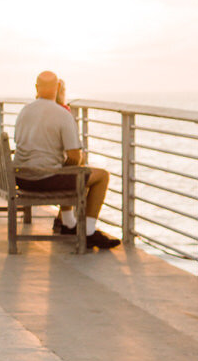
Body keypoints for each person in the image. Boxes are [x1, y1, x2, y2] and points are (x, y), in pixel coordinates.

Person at [13, 72, 120, 249]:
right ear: (57, 88)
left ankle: (69, 224)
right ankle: (88, 232)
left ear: (36, 88)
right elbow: (74, 156)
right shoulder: (62, 114)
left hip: (22, 178)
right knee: (101, 176)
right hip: (44, 180)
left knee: (66, 170)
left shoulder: (25, 111)